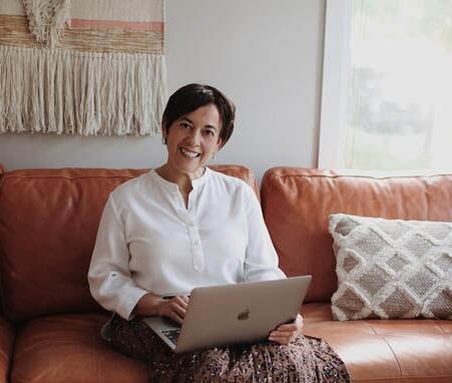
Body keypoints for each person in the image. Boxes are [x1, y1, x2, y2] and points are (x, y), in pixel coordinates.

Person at [88, 83, 350, 382]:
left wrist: (284, 317)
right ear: (165, 128)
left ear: (220, 142)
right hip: (153, 319)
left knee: (290, 358)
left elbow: (262, 269)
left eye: (207, 132)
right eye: (185, 125)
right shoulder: (127, 199)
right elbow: (105, 275)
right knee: (213, 364)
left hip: (235, 320)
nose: (193, 140)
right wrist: (156, 303)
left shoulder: (238, 194)